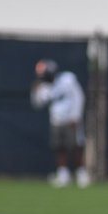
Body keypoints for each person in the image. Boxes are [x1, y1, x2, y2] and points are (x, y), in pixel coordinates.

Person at [30, 58, 89, 187]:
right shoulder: (44, 88)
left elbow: (79, 96)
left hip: (71, 119)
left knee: (76, 147)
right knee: (59, 148)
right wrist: (35, 92)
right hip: (57, 120)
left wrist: (76, 115)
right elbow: (37, 104)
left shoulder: (67, 79)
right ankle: (63, 174)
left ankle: (81, 174)